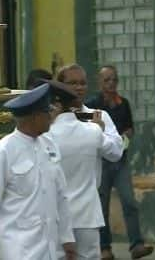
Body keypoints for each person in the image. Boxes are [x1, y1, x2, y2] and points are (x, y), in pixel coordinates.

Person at [0, 80, 77, 260]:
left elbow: (61, 195)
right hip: (19, 250)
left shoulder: (49, 145)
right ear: (35, 117)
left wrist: (67, 237)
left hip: (50, 249)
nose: (51, 116)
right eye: (47, 112)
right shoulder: (3, 151)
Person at [85, 66, 153, 260]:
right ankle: (104, 247)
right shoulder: (93, 105)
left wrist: (126, 136)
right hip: (102, 162)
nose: (111, 84)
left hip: (120, 160)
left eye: (114, 80)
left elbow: (130, 128)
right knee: (102, 206)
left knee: (129, 201)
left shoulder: (123, 104)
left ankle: (136, 245)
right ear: (100, 82)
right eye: (106, 80)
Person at [48, 84, 105, 260]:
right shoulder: (93, 131)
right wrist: (99, 126)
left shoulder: (46, 135)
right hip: (87, 216)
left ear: (56, 106)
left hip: (56, 217)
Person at [56, 64, 124, 164]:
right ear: (60, 86)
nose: (79, 87)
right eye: (73, 83)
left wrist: (98, 133)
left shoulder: (99, 116)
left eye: (83, 83)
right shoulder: (50, 120)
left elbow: (116, 153)